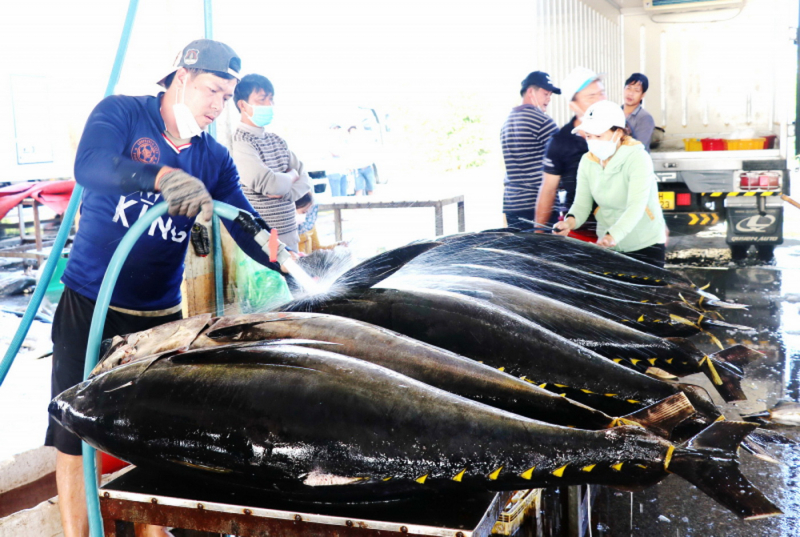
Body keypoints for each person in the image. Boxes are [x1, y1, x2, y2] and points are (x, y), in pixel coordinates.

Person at [46, 39, 289, 537]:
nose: (217, 104)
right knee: (74, 434)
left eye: (226, 96)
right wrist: (159, 178)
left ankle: (152, 531)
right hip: (91, 303)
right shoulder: (122, 115)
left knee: (149, 433)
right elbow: (89, 165)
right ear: (181, 76)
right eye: (210, 90)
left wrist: (280, 252)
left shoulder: (213, 157)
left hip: (158, 317)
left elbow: (241, 218)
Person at [553, 100, 667, 267]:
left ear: (618, 133)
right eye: (589, 136)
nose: (593, 142)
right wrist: (568, 223)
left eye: (599, 136)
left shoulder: (638, 158)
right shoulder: (587, 161)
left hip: (644, 244)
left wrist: (613, 235)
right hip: (608, 245)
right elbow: (582, 204)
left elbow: (636, 206)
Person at [231, 74, 311, 251]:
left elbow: (305, 181)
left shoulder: (277, 141)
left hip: (290, 237)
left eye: (271, 99)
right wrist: (291, 175)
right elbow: (270, 184)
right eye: (261, 100)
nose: (269, 105)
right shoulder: (240, 142)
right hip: (261, 242)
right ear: (242, 105)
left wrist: (283, 192)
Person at [535, 67, 607, 232]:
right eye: (591, 96)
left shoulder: (620, 131)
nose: (601, 100)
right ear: (573, 105)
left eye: (602, 93)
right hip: (581, 233)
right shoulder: (560, 142)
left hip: (621, 232)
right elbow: (548, 190)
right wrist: (538, 233)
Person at [500, 71, 560, 230]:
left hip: (512, 204)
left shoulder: (507, 122)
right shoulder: (542, 122)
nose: (549, 98)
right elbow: (564, 161)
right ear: (530, 92)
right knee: (545, 254)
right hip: (538, 206)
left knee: (520, 253)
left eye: (550, 95)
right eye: (545, 93)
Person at [623, 73, 655, 152]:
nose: (630, 93)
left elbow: (638, 147)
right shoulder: (614, 113)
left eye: (636, 90)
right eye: (628, 88)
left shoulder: (645, 118)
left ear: (642, 95)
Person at [347, 125, 376, 196]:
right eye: (351, 132)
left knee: (371, 188)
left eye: (354, 131)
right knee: (359, 189)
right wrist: (350, 167)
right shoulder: (349, 144)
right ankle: (358, 206)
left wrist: (371, 163)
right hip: (357, 170)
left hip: (367, 167)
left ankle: (371, 206)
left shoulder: (364, 140)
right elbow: (349, 157)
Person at [326, 124, 347, 197]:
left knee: (344, 195)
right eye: (334, 128)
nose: (336, 130)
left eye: (337, 128)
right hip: (333, 171)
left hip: (343, 171)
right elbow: (335, 153)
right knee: (336, 197)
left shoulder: (341, 140)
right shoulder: (328, 140)